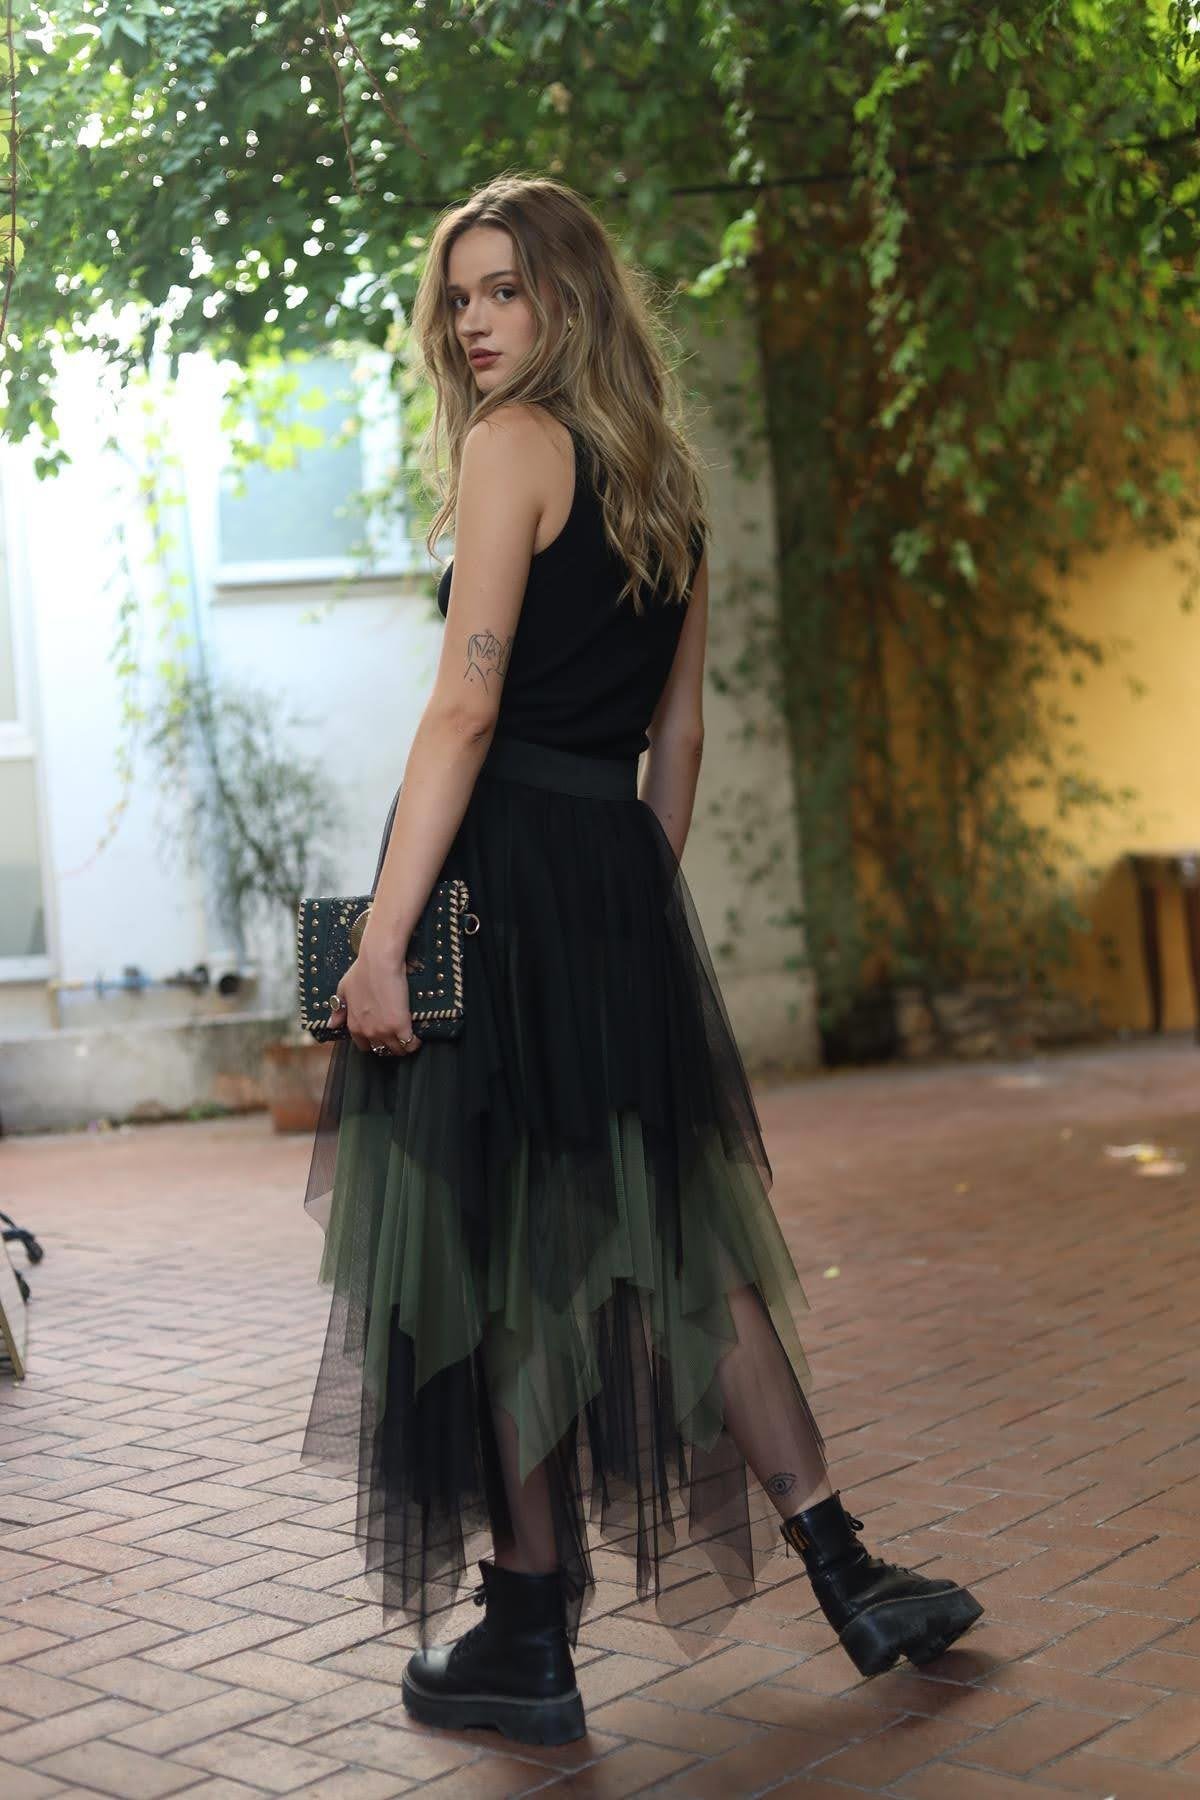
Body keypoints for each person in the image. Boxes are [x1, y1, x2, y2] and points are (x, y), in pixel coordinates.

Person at [299, 173, 982, 1748]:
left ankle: (529, 1630)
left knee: (485, 1247)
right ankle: (846, 1566)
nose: (475, 323)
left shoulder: (512, 446)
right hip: (610, 872)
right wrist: (619, 908)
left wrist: (388, 938)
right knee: (674, 1228)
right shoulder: (667, 481)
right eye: (459, 296)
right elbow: (677, 743)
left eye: (505, 291)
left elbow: (466, 707)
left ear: (572, 298)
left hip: (493, 873)